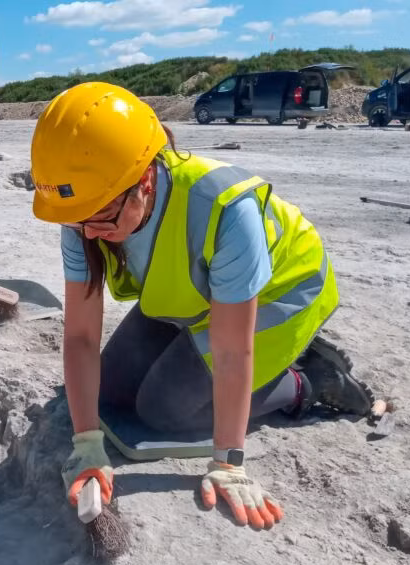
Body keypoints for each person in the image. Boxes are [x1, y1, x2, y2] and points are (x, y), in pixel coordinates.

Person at [29, 83, 375, 531]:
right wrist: (86, 444)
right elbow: (80, 336)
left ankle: (306, 380)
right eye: (79, 221)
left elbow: (232, 351)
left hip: (280, 291)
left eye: (102, 219)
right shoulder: (83, 210)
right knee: (108, 391)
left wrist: (228, 462)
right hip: (198, 292)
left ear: (145, 181)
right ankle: (216, 354)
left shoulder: (225, 209)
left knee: (162, 408)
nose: (89, 234)